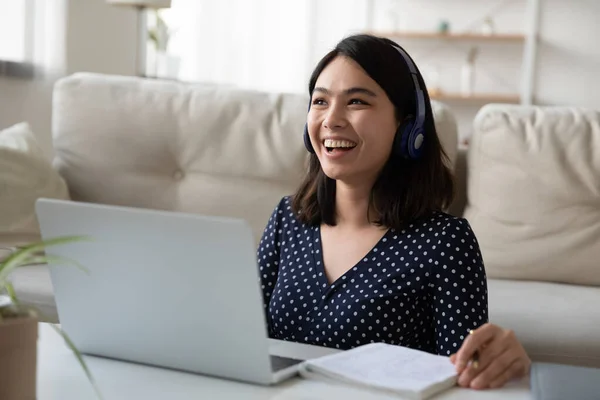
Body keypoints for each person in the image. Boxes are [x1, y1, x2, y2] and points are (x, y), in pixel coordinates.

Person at [256, 33, 530, 390]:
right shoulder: (287, 219)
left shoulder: (445, 243)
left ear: (407, 126)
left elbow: (465, 378)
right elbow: (243, 335)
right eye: (320, 101)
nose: (331, 119)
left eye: (356, 101)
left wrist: (500, 362)